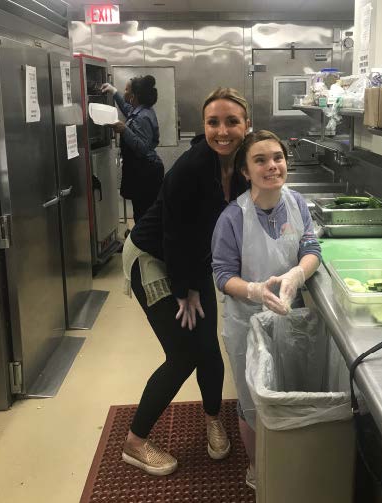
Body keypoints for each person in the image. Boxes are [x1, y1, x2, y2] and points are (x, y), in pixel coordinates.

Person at [120, 88, 250, 476]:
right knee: (183, 355)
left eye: (232, 121)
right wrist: (185, 290)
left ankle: (212, 418)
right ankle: (135, 442)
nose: (222, 131)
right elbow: (174, 235)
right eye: (213, 122)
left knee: (208, 347)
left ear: (246, 125)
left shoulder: (239, 166)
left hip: (191, 263)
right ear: (204, 126)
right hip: (153, 260)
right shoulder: (192, 167)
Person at [211, 130, 322, 489]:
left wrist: (298, 272)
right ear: (245, 171)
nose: (272, 166)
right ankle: (260, 466)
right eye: (260, 160)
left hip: (292, 316)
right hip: (247, 322)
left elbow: (311, 248)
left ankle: (291, 457)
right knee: (252, 398)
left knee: (288, 388)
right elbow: (223, 274)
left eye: (277, 157)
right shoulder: (232, 217)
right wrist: (255, 290)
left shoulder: (297, 203)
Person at [101, 76, 164, 222]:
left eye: (126, 89)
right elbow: (127, 108)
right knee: (141, 213)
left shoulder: (142, 117)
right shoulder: (141, 110)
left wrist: (124, 130)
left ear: (133, 96)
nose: (124, 92)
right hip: (142, 172)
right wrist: (114, 91)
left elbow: (142, 148)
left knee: (143, 215)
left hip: (146, 175)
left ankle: (144, 243)